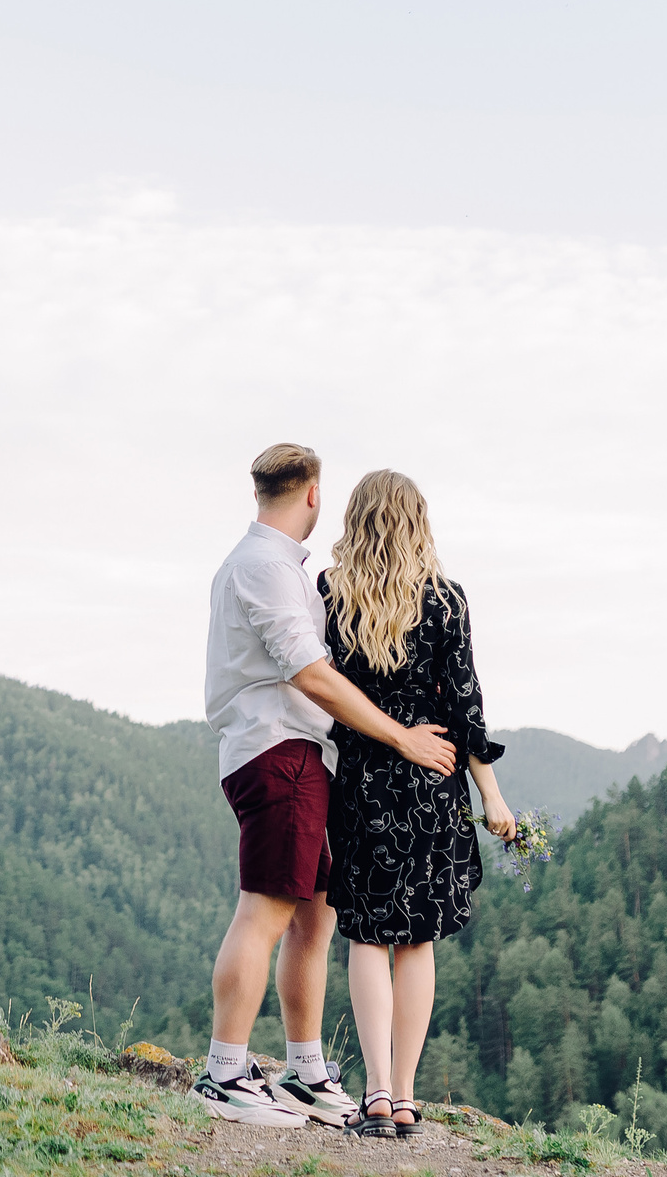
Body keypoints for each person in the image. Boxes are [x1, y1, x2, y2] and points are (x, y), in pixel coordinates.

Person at [196, 444, 460, 1126]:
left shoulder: (278, 566)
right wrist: (401, 737)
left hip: (303, 755)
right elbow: (309, 673)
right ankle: (224, 1070)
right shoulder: (264, 567)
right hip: (277, 750)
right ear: (311, 493)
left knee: (315, 915)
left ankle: (305, 1070)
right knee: (266, 912)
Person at [317, 469, 514, 1139]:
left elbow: (322, 690)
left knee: (369, 937)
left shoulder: (332, 596)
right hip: (432, 779)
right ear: (417, 521)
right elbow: (467, 709)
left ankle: (373, 1091)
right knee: (418, 941)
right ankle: (404, 1096)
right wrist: (491, 795)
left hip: (365, 781)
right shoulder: (448, 602)